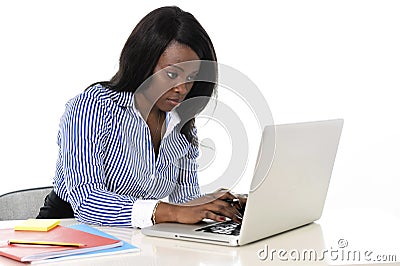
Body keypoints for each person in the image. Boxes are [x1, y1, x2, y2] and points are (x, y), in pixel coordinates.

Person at [37, 6, 246, 228]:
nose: (182, 89)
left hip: (126, 241)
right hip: (62, 236)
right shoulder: (92, 107)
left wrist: (210, 205)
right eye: (172, 74)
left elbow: (183, 203)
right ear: (143, 63)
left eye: (192, 76)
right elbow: (87, 202)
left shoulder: (180, 123)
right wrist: (171, 211)